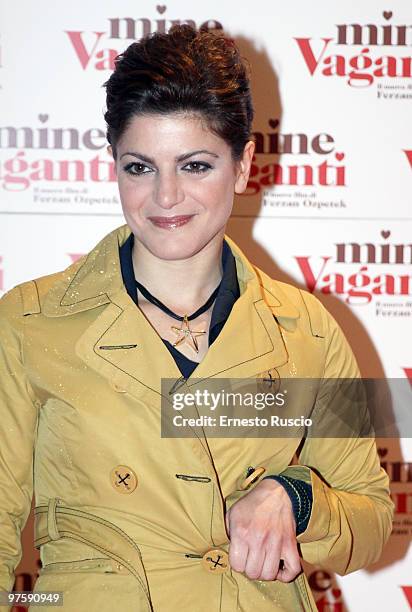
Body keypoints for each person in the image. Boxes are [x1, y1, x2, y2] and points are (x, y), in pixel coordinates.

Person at [0, 24, 393, 612]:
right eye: (139, 167)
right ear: (113, 165)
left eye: (195, 166)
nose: (165, 197)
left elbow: (373, 517)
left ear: (242, 166)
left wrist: (296, 498)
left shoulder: (308, 332)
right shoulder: (30, 324)